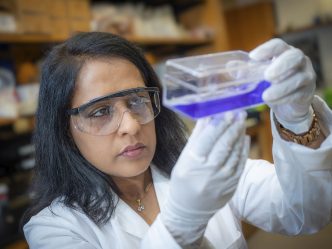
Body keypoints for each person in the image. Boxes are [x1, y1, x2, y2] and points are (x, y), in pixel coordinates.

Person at [21, 32, 332, 249]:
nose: (130, 125)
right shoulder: (53, 229)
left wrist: (297, 117)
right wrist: (182, 221)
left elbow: (306, 213)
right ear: (65, 128)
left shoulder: (206, 170)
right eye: (100, 111)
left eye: (137, 101)